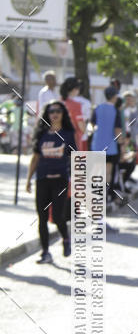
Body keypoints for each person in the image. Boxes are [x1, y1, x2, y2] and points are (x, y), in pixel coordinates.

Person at [25, 101, 76, 263]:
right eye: (51, 111)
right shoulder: (41, 133)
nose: (55, 114)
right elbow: (35, 157)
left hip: (60, 180)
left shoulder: (68, 134)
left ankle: (65, 238)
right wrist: (28, 180)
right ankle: (45, 252)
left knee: (58, 215)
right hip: (42, 180)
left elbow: (73, 157)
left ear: (63, 114)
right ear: (47, 114)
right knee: (42, 216)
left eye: (58, 111)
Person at [90, 85, 122, 203]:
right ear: (114, 97)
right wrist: (121, 142)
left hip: (97, 144)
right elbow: (117, 130)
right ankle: (105, 195)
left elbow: (92, 125)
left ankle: (94, 194)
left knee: (97, 170)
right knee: (107, 172)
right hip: (111, 146)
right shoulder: (115, 110)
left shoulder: (97, 108)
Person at [60, 76, 87, 151]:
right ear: (75, 89)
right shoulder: (76, 105)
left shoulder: (58, 102)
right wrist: (86, 131)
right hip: (74, 139)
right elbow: (81, 124)